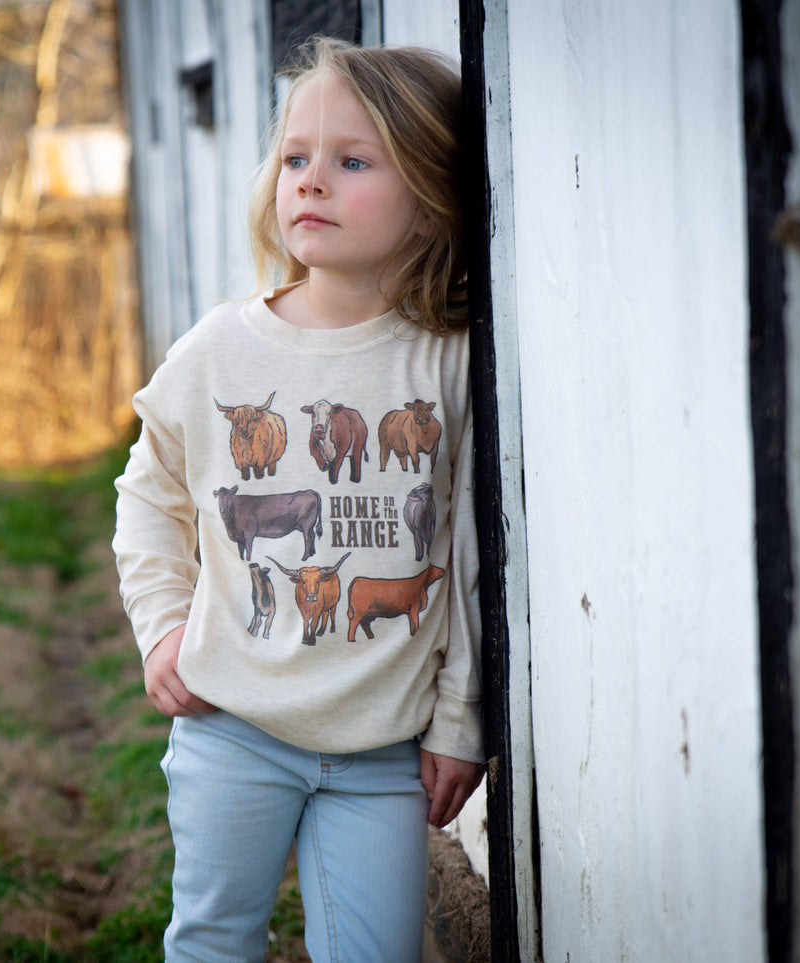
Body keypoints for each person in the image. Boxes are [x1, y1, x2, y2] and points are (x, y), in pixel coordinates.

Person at [112, 36, 485, 963]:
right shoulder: (216, 351)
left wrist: (459, 718)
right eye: (294, 159)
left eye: (352, 161)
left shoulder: (446, 361)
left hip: (380, 753)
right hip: (229, 727)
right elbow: (147, 492)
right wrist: (162, 624)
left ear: (432, 200)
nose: (310, 183)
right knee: (212, 940)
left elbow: (471, 553)